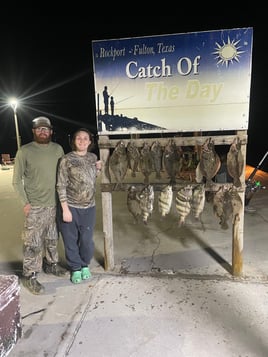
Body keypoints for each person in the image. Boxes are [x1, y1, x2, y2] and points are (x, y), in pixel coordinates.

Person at [12, 116, 67, 295]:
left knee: (52, 239)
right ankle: (30, 275)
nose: (43, 132)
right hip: (35, 206)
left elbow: (65, 172)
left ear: (51, 132)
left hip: (55, 204)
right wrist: (25, 203)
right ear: (34, 131)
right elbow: (16, 181)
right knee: (33, 243)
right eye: (39, 129)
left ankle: (51, 265)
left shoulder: (58, 149)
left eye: (46, 129)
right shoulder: (25, 151)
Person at [56, 128, 102, 284]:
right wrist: (65, 209)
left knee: (87, 240)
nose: (82, 141)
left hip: (89, 208)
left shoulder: (93, 157)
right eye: (78, 138)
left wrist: (98, 169)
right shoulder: (66, 160)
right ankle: (75, 268)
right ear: (74, 141)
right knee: (70, 240)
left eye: (85, 138)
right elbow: (60, 185)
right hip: (71, 207)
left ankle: (84, 264)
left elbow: (91, 180)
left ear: (90, 142)